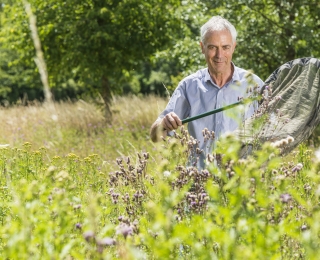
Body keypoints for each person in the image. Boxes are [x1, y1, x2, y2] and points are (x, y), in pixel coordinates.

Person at [150, 16, 264, 169]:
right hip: (200, 182)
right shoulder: (189, 86)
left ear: (234, 47)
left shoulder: (254, 84)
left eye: (225, 47)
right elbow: (155, 136)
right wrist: (163, 123)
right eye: (212, 47)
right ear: (202, 47)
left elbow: (276, 129)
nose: (219, 55)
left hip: (243, 180)